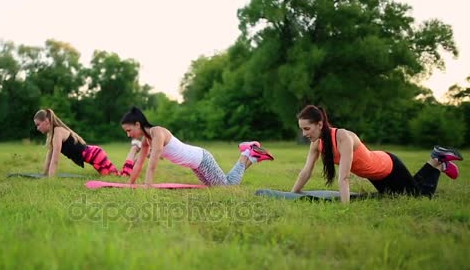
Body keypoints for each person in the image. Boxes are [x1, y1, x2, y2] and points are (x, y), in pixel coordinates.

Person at [291, 105, 463, 203]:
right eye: (302, 129)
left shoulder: (343, 137)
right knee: (399, 196)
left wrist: (345, 208)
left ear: (320, 124)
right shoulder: (317, 144)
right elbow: (306, 172)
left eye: (307, 128)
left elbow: (343, 178)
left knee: (421, 197)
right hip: (376, 175)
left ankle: (437, 160)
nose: (304, 134)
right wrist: (292, 194)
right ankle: (441, 164)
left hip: (388, 166)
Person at [120, 106, 274, 186]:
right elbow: (139, 163)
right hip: (195, 165)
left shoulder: (157, 133)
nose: (128, 134)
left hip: (201, 159)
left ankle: (247, 151)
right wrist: (130, 184)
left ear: (138, 124)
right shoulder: (147, 140)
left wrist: (147, 186)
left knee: (227, 187)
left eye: (129, 130)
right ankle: (252, 157)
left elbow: (152, 166)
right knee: (220, 186)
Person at [34, 109, 139, 177]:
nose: (37, 128)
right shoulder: (52, 136)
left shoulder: (58, 132)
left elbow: (55, 160)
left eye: (38, 125)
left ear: (47, 121)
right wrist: (44, 174)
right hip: (93, 155)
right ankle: (136, 158)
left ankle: (134, 148)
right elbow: (49, 158)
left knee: (121, 177)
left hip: (95, 155)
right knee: (117, 175)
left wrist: (50, 181)